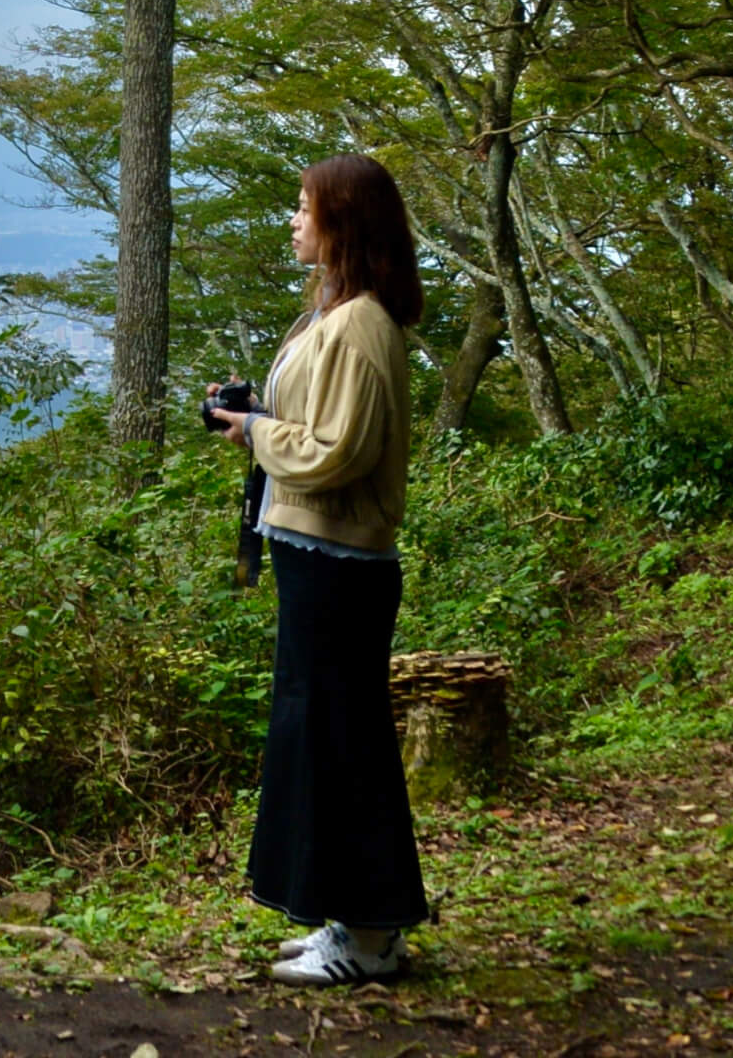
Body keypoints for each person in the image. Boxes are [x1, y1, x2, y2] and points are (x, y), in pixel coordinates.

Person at [213, 153, 430, 986]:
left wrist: (260, 434)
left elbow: (338, 453)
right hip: (314, 555)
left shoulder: (363, 324)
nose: (294, 222)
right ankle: (353, 921)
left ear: (343, 223)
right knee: (325, 740)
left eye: (305, 209)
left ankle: (371, 936)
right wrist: (254, 417)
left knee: (346, 744)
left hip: (341, 565)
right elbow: (310, 429)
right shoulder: (327, 315)